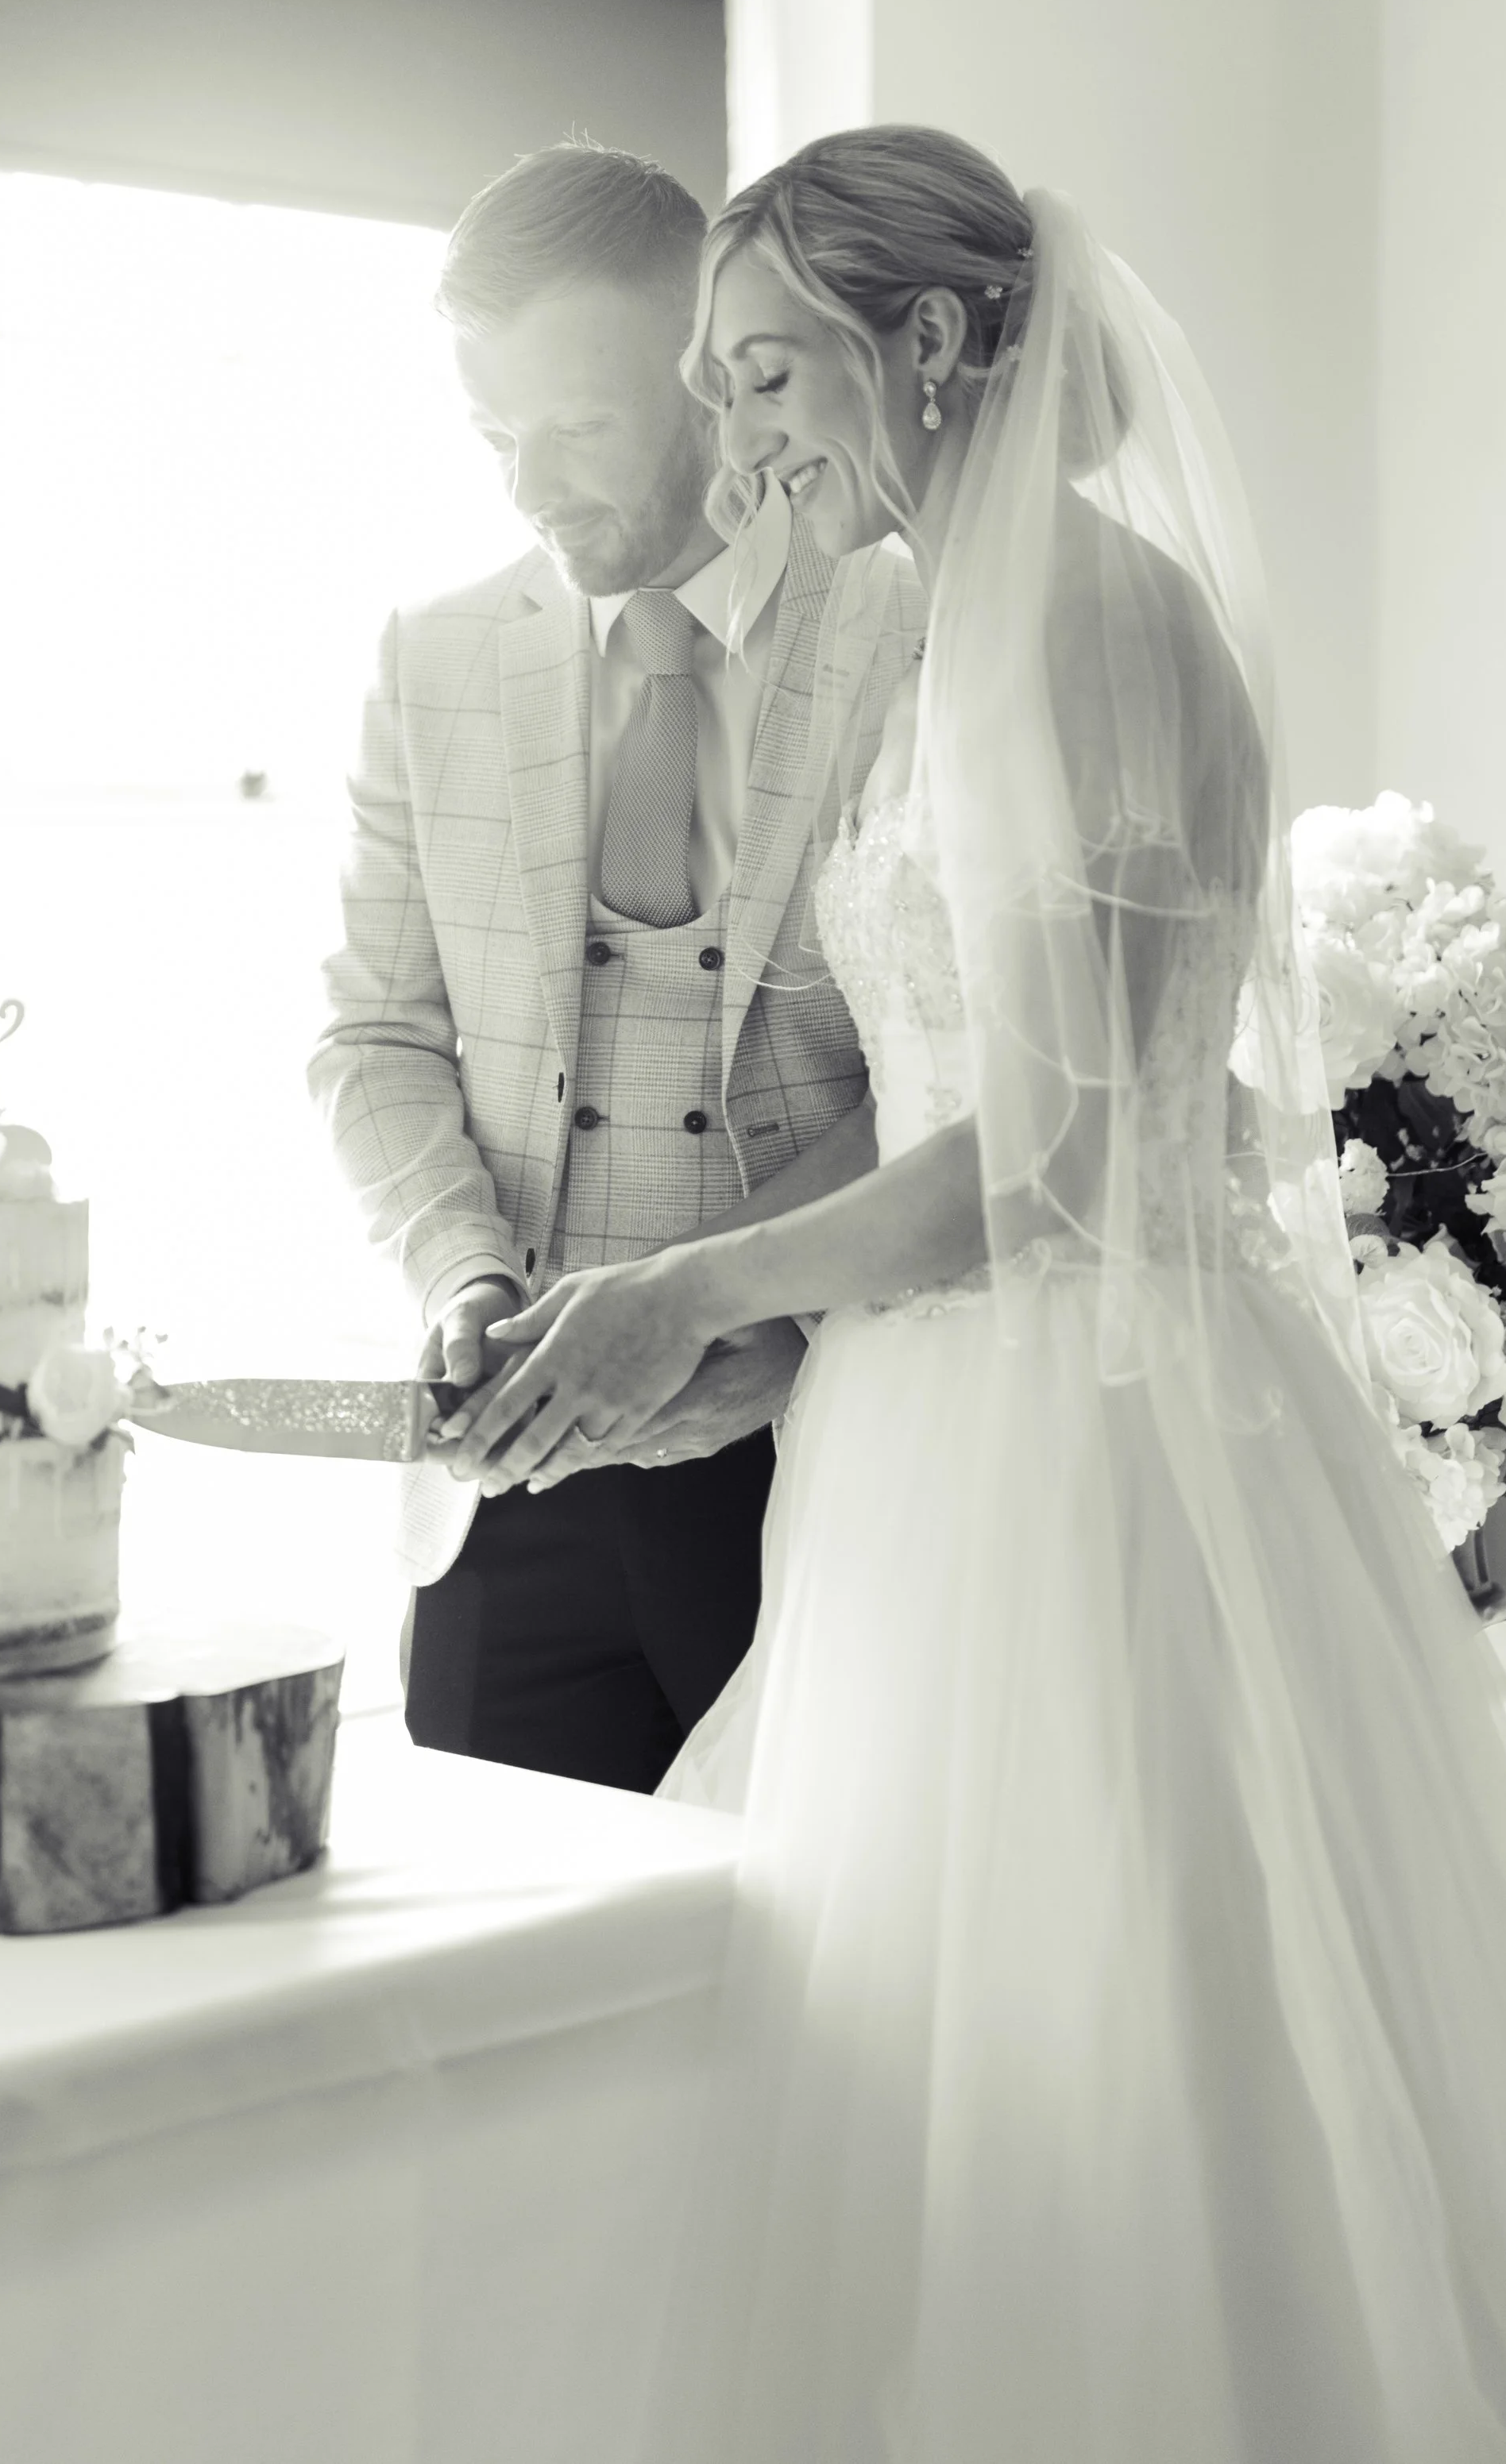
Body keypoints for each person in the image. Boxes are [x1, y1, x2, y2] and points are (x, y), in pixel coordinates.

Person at [447, 126, 1506, 2458]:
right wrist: (706, 1330)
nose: (738, 444)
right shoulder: (965, 617)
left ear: (927, 343)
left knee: (1120, 2056)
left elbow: (1060, 1157)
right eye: (718, 393)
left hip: (1092, 1451)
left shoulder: (1080, 624)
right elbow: (955, 1087)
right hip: (925, 1437)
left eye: (766, 378)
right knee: (943, 2083)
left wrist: (700, 1274)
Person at [310, 142, 922, 1791]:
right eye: (493, 435)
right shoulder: (429, 658)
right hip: (503, 1494)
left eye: (573, 429)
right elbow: (372, 1036)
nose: (527, 487)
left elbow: (959, 1073)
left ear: (714, 386)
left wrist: (752, 1300)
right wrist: (462, 1277)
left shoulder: (907, 634)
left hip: (820, 1451)